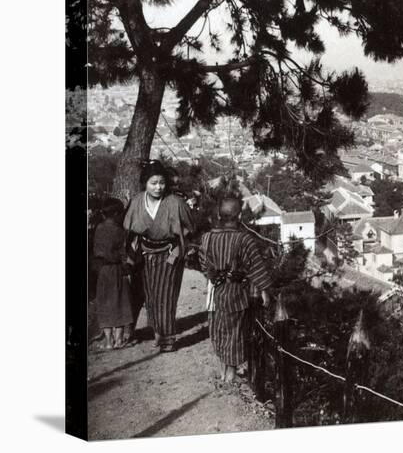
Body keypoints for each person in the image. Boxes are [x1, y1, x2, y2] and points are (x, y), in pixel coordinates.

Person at [124, 160, 195, 352]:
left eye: (162, 183)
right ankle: (157, 332)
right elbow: (130, 232)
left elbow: (189, 228)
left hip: (170, 253)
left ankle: (167, 339)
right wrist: (130, 258)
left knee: (166, 295)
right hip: (146, 254)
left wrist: (179, 248)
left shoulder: (175, 202)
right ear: (145, 183)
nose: (158, 187)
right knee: (151, 296)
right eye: (153, 183)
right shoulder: (137, 201)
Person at [199, 197, 272, 383]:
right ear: (239, 216)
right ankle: (230, 375)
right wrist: (264, 290)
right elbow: (256, 266)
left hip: (215, 290)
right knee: (234, 331)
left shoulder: (207, 238)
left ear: (219, 215)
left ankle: (223, 371)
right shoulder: (243, 239)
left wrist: (214, 276)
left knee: (218, 329)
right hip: (235, 291)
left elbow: (203, 263)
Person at [93, 197, 134, 349]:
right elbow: (123, 254)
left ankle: (108, 342)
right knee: (120, 303)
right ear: (117, 213)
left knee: (105, 304)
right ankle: (119, 340)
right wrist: (127, 268)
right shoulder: (119, 230)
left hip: (102, 271)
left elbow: (97, 250)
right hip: (116, 270)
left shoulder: (98, 228)